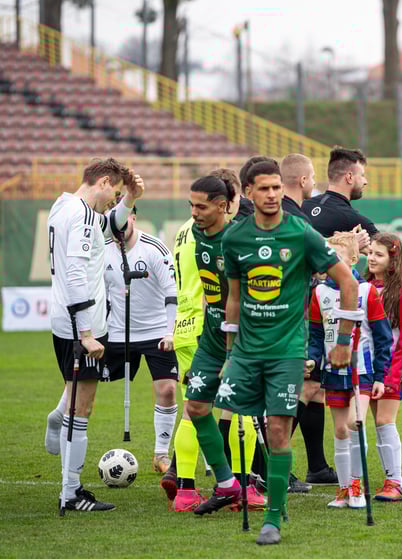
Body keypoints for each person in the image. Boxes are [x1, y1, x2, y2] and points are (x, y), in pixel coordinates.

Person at [217, 162, 359, 545]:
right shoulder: (234, 239)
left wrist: (342, 342)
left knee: (279, 431)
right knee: (224, 416)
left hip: (288, 351)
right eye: (264, 188)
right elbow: (233, 297)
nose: (272, 195)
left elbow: (347, 282)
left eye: (277, 187)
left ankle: (274, 517)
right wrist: (230, 353)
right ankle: (227, 485)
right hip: (246, 351)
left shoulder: (302, 234)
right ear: (248, 191)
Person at [44, 157, 144, 511]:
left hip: (64, 321)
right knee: (82, 407)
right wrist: (86, 332)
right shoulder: (84, 216)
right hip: (79, 325)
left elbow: (111, 224)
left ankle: (56, 420)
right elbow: (74, 274)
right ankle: (70, 493)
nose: (111, 200)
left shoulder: (63, 205)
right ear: (102, 182)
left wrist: (129, 199)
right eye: (113, 192)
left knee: (75, 400)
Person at [162, 168, 253, 512]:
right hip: (206, 330)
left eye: (200, 206)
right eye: (191, 205)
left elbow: (241, 298)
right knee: (201, 408)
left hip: (231, 334)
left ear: (221, 205)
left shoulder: (236, 239)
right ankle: (233, 484)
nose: (194, 212)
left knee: (241, 410)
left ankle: (250, 488)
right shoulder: (199, 235)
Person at [309, 232, 392, 508]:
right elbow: (315, 333)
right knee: (340, 431)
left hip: (363, 371)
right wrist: (312, 359)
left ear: (354, 259)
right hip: (333, 372)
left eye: (338, 257)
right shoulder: (319, 293)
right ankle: (344, 490)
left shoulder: (366, 291)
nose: (331, 263)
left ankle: (358, 486)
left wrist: (381, 375)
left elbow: (382, 337)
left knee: (355, 424)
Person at [102, 204, 179, 474]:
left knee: (168, 390)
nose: (118, 234)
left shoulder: (154, 249)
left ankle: (160, 454)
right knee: (82, 383)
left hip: (157, 331)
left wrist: (170, 332)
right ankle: (60, 420)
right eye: (113, 229)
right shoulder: (103, 249)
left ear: (133, 218)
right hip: (116, 333)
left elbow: (172, 291)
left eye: (123, 225)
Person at [279, 153, 338, 487]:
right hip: (290, 317)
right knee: (294, 389)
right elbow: (310, 265)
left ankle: (316, 466)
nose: (314, 182)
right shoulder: (293, 216)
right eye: (312, 176)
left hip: (300, 313)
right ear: (302, 180)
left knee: (313, 389)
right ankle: (274, 467)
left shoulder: (292, 214)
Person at [302, 146, 402, 257]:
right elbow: (395, 252)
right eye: (362, 175)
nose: (366, 181)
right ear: (349, 177)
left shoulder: (302, 206)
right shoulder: (353, 219)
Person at [366, 232, 402, 501]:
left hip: (391, 371)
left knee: (386, 421)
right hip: (368, 369)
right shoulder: (364, 287)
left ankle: (395, 483)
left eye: (379, 254)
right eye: (370, 253)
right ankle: (385, 479)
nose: (372, 258)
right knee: (377, 423)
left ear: (393, 260)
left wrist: (393, 376)